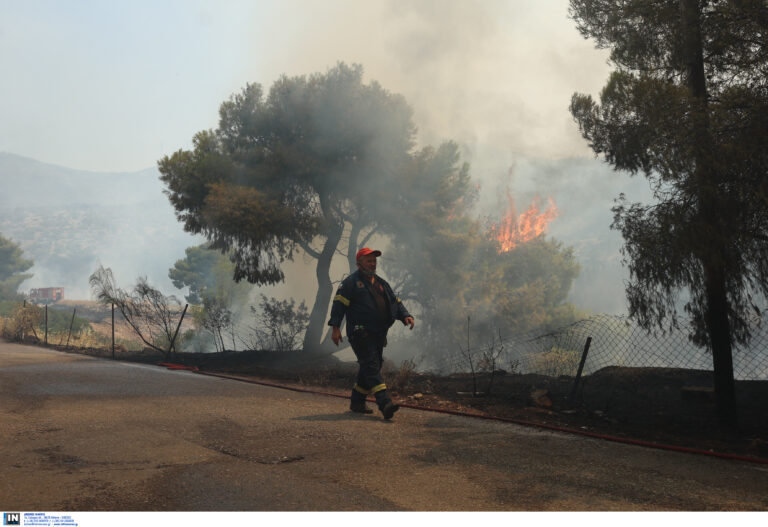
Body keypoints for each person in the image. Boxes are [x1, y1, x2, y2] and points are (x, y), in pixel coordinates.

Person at [328, 247, 415, 419]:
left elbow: (395, 302)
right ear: (359, 263)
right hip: (359, 333)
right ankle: (385, 403)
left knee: (371, 366)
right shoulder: (350, 283)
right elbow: (339, 304)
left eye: (374, 260)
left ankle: (357, 401)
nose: (373, 263)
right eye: (369, 260)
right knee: (372, 366)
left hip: (378, 334)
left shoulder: (382, 283)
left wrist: (406, 316)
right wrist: (335, 328)